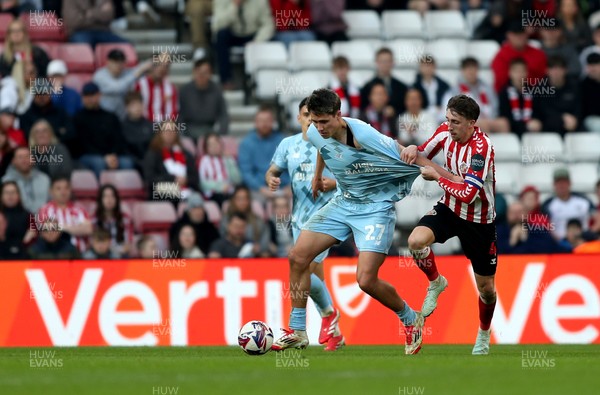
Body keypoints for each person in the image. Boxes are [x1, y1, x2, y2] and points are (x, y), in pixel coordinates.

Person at [272, 88, 457, 354]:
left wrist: (449, 178)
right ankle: (298, 331)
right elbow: (323, 148)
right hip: (343, 202)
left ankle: (410, 318)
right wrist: (317, 176)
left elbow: (410, 156)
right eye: (314, 121)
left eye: (325, 121)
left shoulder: (364, 133)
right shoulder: (315, 131)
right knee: (297, 257)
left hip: (375, 208)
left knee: (366, 280)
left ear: (339, 115)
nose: (319, 127)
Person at [402, 94, 499, 355]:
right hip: (450, 209)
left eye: (455, 122)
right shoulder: (445, 132)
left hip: (479, 220)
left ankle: (483, 333)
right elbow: (423, 153)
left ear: (472, 123)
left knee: (487, 290)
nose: (450, 126)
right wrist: (413, 149)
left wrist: (437, 176)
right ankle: (436, 281)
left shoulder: (482, 148)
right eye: (447, 119)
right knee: (415, 241)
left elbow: (469, 194)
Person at [266, 97, 345, 351]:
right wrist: (271, 179)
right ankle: (334, 329)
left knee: (307, 269)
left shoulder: (333, 143)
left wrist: (331, 184)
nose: (310, 119)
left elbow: (351, 177)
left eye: (314, 115)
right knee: (311, 275)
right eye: (305, 114)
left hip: (326, 216)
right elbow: (273, 170)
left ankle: (321, 320)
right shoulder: (288, 145)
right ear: (299, 118)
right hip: (299, 219)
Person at [72, 82, 134, 178]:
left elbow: (119, 139)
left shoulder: (111, 116)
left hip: (112, 155)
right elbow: (83, 144)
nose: (89, 99)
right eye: (86, 96)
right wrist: (104, 157)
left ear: (99, 95)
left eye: (92, 95)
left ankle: (125, 192)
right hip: (88, 156)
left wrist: (114, 155)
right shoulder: (78, 118)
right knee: (99, 163)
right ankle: (102, 191)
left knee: (127, 162)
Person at [212, 0, 275, 89]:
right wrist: (234, 6)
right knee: (220, 36)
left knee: (271, 40)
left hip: (253, 35)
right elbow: (217, 25)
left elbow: (268, 24)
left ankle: (264, 84)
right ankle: (226, 81)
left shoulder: (261, 1)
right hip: (233, 33)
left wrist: (257, 41)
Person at [238, 106, 289, 201]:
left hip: (284, 188)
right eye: (261, 120)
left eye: (267, 120)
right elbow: (246, 173)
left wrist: (291, 186)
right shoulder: (246, 143)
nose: (264, 124)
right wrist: (260, 188)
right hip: (258, 189)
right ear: (255, 123)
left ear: (273, 122)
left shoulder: (283, 141)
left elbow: (294, 166)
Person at [444, 57, 506, 134]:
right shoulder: (455, 90)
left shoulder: (486, 87)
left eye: (474, 69)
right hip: (466, 121)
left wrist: (490, 118)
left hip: (488, 118)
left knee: (503, 124)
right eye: (468, 69)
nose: (471, 72)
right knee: (482, 125)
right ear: (462, 71)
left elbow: (495, 105)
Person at [143, 120, 199, 200]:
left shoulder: (186, 154)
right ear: (160, 133)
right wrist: (173, 179)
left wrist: (186, 180)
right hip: (161, 191)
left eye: (172, 130)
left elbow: (194, 177)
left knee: (197, 200)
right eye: (166, 130)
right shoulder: (153, 154)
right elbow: (150, 178)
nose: (169, 133)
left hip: (186, 188)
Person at [37, 176, 93, 254]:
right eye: (58, 188)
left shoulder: (79, 209)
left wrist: (60, 227)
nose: (63, 192)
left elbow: (88, 229)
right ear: (51, 191)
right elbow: (48, 232)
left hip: (81, 255)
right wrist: (77, 228)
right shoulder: (45, 210)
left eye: (66, 188)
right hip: (56, 255)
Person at [93, 49, 153, 120]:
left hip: (123, 119)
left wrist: (155, 60)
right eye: (115, 62)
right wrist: (136, 74)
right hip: (104, 119)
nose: (118, 65)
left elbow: (142, 69)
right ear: (108, 62)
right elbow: (117, 88)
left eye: (121, 62)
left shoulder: (125, 73)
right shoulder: (99, 75)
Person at [178, 58, 229, 139]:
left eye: (205, 73)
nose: (202, 76)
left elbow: (223, 115)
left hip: (209, 130)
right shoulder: (185, 90)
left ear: (210, 74)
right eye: (199, 73)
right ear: (194, 72)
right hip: (189, 129)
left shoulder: (216, 90)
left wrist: (222, 134)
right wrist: (181, 133)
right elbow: (180, 115)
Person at [491, 20, 547, 93]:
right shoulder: (501, 56)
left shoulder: (539, 54)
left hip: (535, 95)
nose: (519, 37)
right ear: (508, 35)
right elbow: (501, 81)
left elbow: (543, 78)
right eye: (516, 34)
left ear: (527, 34)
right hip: (507, 96)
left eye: (522, 33)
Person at [221, 185, 275, 257]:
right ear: (233, 200)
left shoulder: (257, 220)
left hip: (254, 256)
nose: (242, 202)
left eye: (245, 199)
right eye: (239, 199)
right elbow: (223, 240)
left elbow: (264, 241)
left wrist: (258, 248)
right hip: (230, 256)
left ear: (249, 201)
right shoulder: (226, 220)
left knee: (266, 255)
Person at [542, 168, 594, 241]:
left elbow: (596, 217)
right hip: (559, 244)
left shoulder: (583, 201)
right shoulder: (548, 205)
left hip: (583, 243)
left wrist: (590, 234)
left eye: (564, 182)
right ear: (554, 184)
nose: (561, 185)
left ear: (570, 183)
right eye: (558, 182)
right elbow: (545, 226)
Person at [497, 58, 543, 137]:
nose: (519, 75)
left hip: (532, 133)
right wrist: (524, 126)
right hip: (511, 134)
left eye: (522, 71)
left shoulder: (533, 91)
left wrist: (536, 121)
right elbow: (504, 116)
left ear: (526, 73)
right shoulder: (504, 93)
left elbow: (538, 111)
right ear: (510, 73)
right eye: (516, 72)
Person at [535, 55, 580, 136]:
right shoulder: (541, 87)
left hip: (572, 123)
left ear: (566, 70)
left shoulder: (574, 86)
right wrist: (562, 117)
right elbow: (543, 110)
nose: (556, 72)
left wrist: (575, 118)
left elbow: (579, 107)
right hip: (549, 125)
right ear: (547, 71)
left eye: (559, 68)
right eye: (552, 68)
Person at [168, 192, 220, 256]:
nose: (198, 212)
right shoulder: (178, 227)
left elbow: (216, 246)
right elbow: (174, 245)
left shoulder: (210, 228)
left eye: (200, 208)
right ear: (189, 211)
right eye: (195, 208)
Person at [2, 146, 50, 213]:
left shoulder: (44, 179)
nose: (24, 160)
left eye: (27, 156)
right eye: (20, 157)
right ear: (13, 161)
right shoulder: (6, 181)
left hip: (44, 219)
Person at [63, 0, 129, 49]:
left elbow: (109, 15)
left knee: (126, 46)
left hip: (103, 32)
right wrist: (99, 13)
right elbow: (73, 21)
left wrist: (88, 14)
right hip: (80, 32)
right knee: (84, 47)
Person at [361, 47, 407, 116]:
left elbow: (405, 107)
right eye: (382, 61)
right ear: (376, 62)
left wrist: (394, 111)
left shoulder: (402, 87)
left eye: (388, 61)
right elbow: (363, 108)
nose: (385, 64)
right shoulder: (367, 87)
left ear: (393, 62)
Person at [198, 132, 241, 206]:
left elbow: (237, 180)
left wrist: (230, 161)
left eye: (216, 143)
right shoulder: (204, 160)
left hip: (230, 191)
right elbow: (202, 183)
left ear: (221, 145)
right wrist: (220, 187)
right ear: (206, 148)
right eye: (211, 145)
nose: (214, 146)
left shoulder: (227, 158)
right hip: (214, 193)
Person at [134, 54, 178, 124]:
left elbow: (173, 112)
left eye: (166, 66)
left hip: (163, 128)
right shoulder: (140, 85)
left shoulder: (170, 87)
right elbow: (134, 110)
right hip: (143, 126)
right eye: (158, 64)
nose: (162, 68)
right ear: (150, 66)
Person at [92, 184, 134, 258]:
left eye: (112, 196)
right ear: (100, 200)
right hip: (98, 252)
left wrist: (114, 250)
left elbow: (128, 245)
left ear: (116, 199)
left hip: (119, 252)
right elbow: (92, 241)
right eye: (106, 196)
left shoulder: (125, 218)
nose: (109, 199)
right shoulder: (94, 219)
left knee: (117, 256)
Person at [0, 180, 35, 259]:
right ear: (1, 196)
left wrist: (28, 240)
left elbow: (33, 237)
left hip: (23, 253)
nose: (10, 196)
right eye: (7, 193)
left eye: (13, 192)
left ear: (19, 195)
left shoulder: (28, 216)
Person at [121, 91, 154, 172]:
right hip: (132, 162)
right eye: (133, 105)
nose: (138, 108)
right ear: (126, 107)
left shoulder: (150, 125)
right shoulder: (121, 127)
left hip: (149, 161)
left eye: (140, 104)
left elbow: (154, 147)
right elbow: (123, 150)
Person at [413, 55, 451, 124]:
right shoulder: (415, 87)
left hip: (441, 118)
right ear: (420, 68)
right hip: (422, 119)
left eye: (429, 66)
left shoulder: (444, 86)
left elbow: (447, 103)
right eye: (424, 66)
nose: (427, 69)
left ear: (434, 67)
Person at [580, 53, 600, 132]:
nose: (593, 68)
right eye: (590, 65)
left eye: (596, 65)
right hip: (590, 118)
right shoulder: (583, 85)